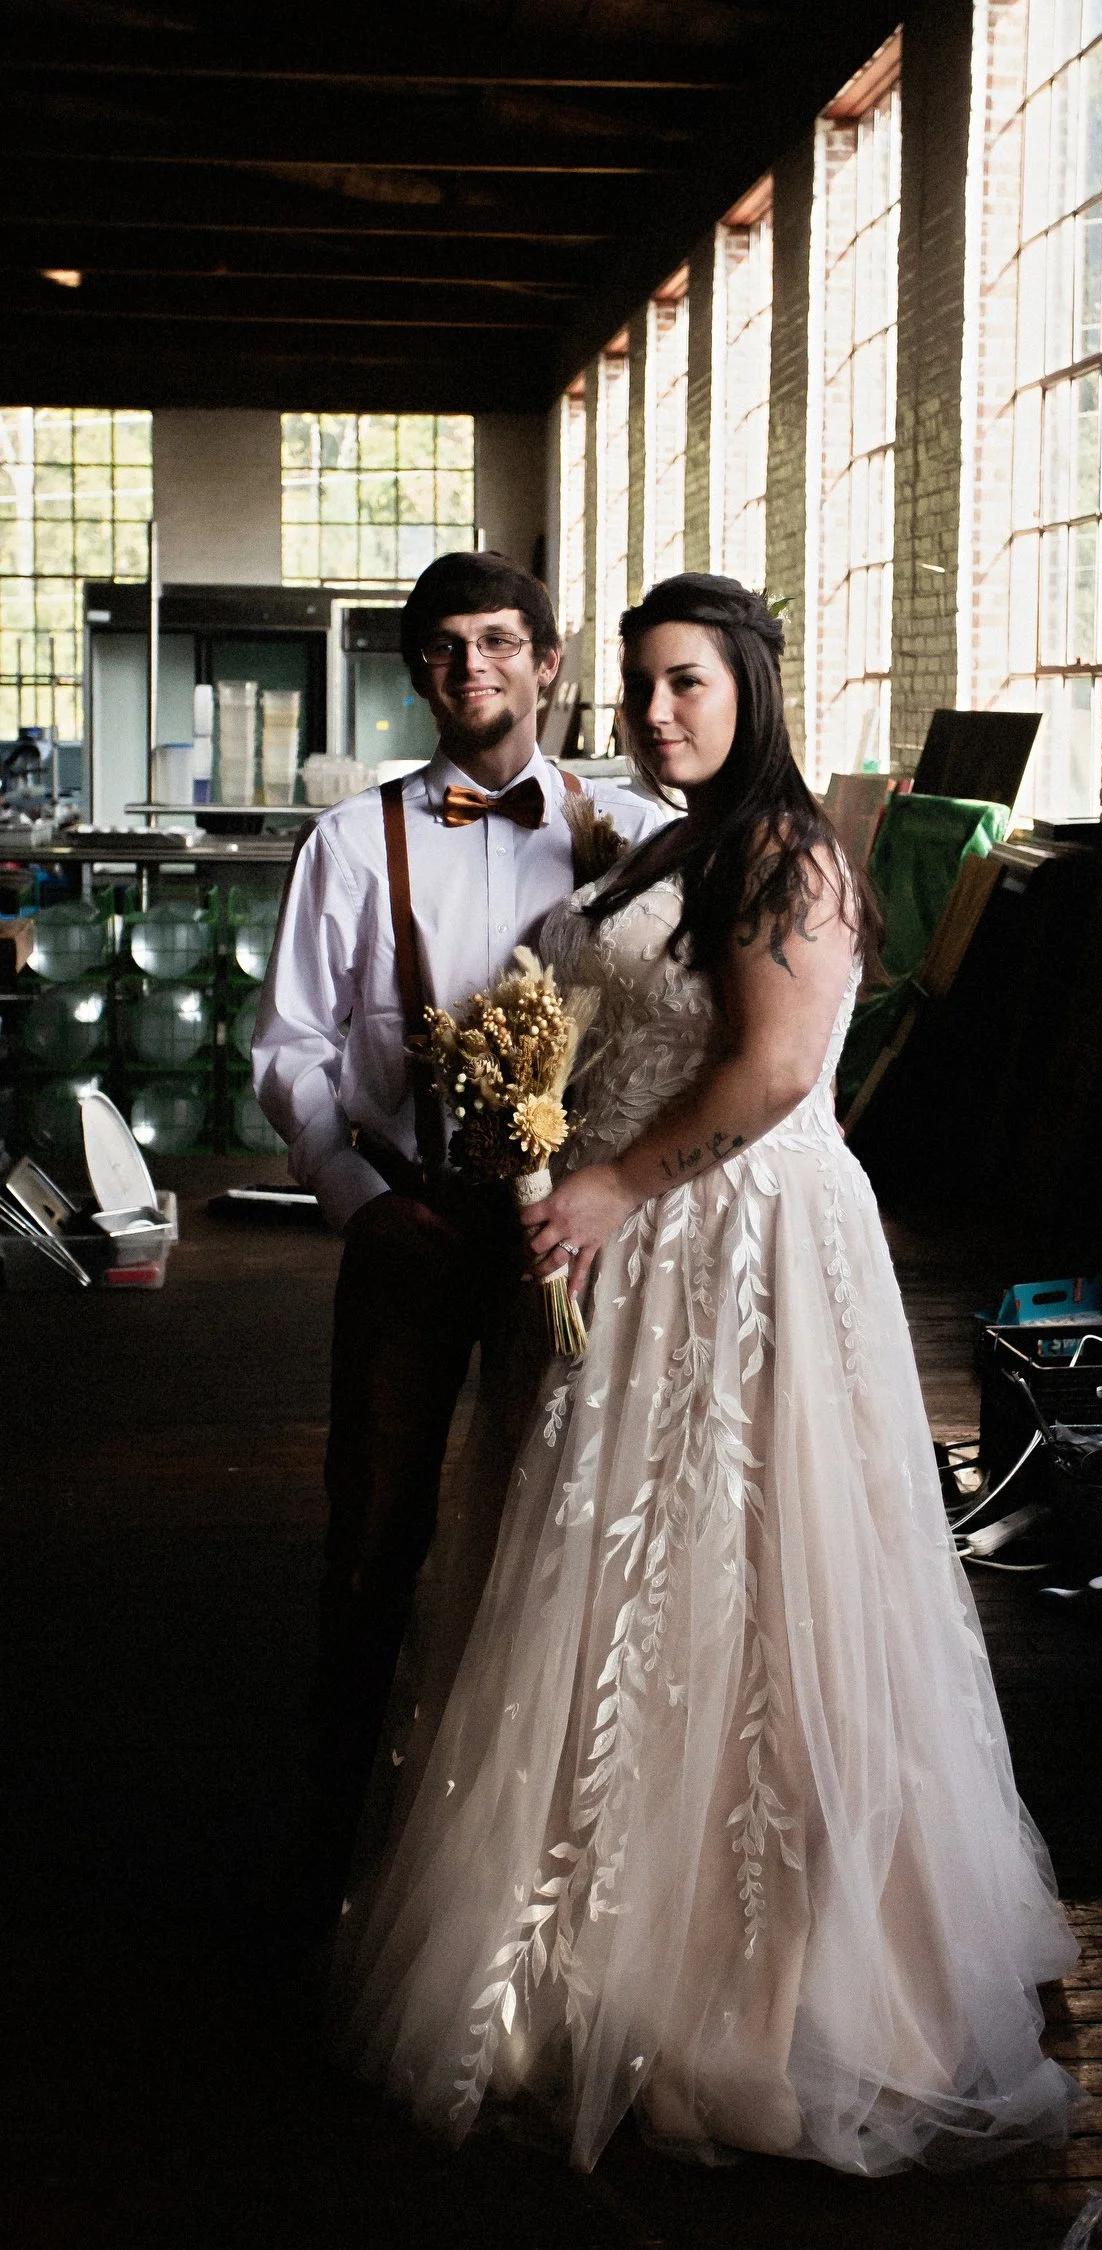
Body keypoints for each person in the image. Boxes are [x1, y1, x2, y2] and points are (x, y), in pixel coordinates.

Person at [332, 575, 1079, 2174]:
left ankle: (768, 1992)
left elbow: (776, 1067)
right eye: (640, 685)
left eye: (687, 682)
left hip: (736, 1248)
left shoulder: (785, 850)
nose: (656, 710)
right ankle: (592, 1954)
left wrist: (608, 1185)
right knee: (619, 1602)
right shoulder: (667, 841)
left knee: (751, 1594)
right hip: (635, 1259)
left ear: (750, 681)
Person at [252, 551, 664, 1885]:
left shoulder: (631, 831)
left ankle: (531, 1859)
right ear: (416, 671)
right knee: (377, 1530)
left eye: (500, 641)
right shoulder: (348, 842)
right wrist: (355, 1197)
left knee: (560, 1530)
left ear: (550, 662)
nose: (473, 666)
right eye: (442, 646)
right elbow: (292, 1044)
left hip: (573, 1239)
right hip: (412, 1227)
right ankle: (337, 1845)